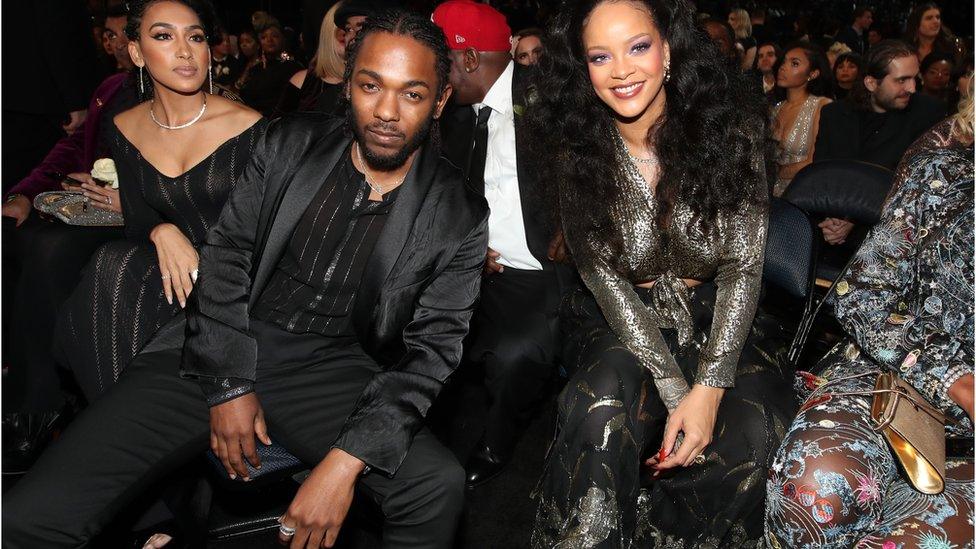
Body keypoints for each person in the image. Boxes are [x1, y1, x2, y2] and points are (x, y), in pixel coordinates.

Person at [4, 9, 487, 549]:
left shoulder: (458, 212)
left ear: (440, 102)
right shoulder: (288, 144)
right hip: (224, 335)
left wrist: (345, 463)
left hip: (334, 368)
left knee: (435, 487)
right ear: (348, 84)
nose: (386, 112)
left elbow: (432, 351)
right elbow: (227, 254)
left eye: (412, 94)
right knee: (29, 517)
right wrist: (230, 384)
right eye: (370, 86)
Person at [527, 0, 795, 546]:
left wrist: (710, 387)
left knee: (752, 429)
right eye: (600, 56)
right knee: (596, 406)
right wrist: (677, 389)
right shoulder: (576, 151)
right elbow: (604, 279)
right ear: (584, 68)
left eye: (639, 46)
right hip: (624, 315)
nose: (622, 70)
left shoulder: (732, 133)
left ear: (668, 49)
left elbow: (743, 268)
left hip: (724, 312)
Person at [765, 79, 974, 549]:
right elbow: (862, 295)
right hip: (891, 377)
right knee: (818, 483)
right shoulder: (944, 173)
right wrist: (958, 379)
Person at [54, 0, 265, 406]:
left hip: (236, 279)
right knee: (112, 266)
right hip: (171, 273)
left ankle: (127, 426)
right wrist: (160, 228)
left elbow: (267, 234)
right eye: (164, 36)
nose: (184, 50)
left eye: (196, 37)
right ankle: (124, 423)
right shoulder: (124, 127)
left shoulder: (250, 129)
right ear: (136, 53)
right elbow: (138, 215)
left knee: (115, 271)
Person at [433, 0, 575, 489]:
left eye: (440, 61)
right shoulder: (448, 114)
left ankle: (497, 441)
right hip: (471, 268)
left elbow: (608, 166)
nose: (432, 75)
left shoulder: (554, 99)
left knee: (516, 357)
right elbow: (444, 192)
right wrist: (464, 244)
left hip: (541, 270)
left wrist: (576, 227)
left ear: (469, 59)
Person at [0, 5, 139, 472]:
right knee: (19, 235)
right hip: (89, 208)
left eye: (125, 35)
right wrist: (24, 192)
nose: (115, 44)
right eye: (112, 36)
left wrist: (129, 199)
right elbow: (71, 149)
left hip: (144, 217)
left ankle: (39, 407)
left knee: (50, 249)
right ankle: (21, 385)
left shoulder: (195, 99)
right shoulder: (109, 89)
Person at [813, 40, 945, 247]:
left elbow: (916, 185)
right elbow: (822, 172)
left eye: (914, 78)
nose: (911, 88)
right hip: (827, 229)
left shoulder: (927, 113)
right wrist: (834, 219)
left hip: (892, 237)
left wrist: (853, 219)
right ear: (871, 83)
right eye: (902, 80)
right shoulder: (834, 114)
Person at [3, 0, 100, 193]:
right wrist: (75, 101)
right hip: (40, 99)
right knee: (35, 184)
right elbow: (56, 32)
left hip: (21, 94)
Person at [771, 42, 832, 196]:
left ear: (813, 74)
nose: (783, 67)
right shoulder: (774, 109)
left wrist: (773, 172)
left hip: (803, 194)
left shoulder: (821, 106)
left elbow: (815, 161)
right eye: (783, 61)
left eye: (794, 63)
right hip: (770, 194)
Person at [274, 1, 347, 117]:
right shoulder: (302, 82)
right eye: (341, 24)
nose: (346, 32)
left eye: (356, 26)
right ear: (327, 30)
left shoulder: (374, 84)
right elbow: (276, 130)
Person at [238, 23, 304, 115]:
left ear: (283, 39)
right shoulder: (255, 70)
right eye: (264, 37)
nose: (269, 40)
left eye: (275, 36)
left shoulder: (294, 68)